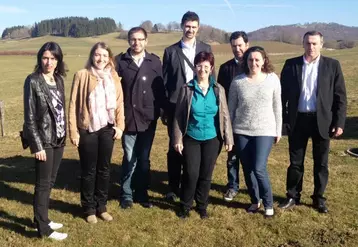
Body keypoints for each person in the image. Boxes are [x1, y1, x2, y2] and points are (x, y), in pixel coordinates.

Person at [279, 31, 347, 213]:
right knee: (295, 163)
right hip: (297, 120)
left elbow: (340, 96)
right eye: (308, 43)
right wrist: (283, 120)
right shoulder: (291, 65)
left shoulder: (332, 65)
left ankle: (319, 198)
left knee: (321, 163)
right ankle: (293, 196)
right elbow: (281, 96)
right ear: (303, 44)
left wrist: (339, 122)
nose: (311, 47)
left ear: (321, 45)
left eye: (315, 43)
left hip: (322, 121)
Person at [68, 42, 125, 223]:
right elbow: (72, 105)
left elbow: (120, 103)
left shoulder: (114, 77)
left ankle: (102, 206)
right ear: (92, 56)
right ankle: (89, 208)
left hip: (108, 129)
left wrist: (120, 126)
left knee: (104, 169)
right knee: (89, 170)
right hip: (88, 129)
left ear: (109, 58)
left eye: (105, 56)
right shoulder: (82, 75)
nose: (101, 59)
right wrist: (74, 132)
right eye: (97, 55)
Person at [173, 51, 234, 219]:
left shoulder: (218, 89)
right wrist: (177, 139)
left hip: (213, 139)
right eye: (199, 65)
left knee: (206, 175)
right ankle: (185, 205)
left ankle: (202, 206)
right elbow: (178, 116)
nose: (202, 69)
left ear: (211, 68)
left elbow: (225, 115)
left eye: (206, 66)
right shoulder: (186, 89)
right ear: (195, 67)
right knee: (191, 173)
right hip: (192, 137)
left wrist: (228, 138)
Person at [163, 11, 212, 201]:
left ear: (198, 28)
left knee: (194, 146)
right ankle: (173, 188)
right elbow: (166, 82)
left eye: (194, 27)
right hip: (177, 106)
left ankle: (191, 186)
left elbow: (210, 75)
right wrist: (166, 109)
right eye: (187, 26)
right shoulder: (170, 51)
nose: (190, 30)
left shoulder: (206, 48)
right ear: (182, 26)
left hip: (199, 106)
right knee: (175, 147)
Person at [115, 27, 167, 209]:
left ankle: (142, 193)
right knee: (130, 156)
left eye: (140, 39)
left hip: (148, 117)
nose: (136, 43)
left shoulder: (154, 62)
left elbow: (160, 90)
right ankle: (127, 194)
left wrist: (163, 111)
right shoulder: (120, 62)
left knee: (144, 157)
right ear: (129, 41)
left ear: (146, 41)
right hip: (128, 117)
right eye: (133, 39)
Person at [228, 46, 282, 217]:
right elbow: (230, 110)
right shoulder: (238, 82)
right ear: (246, 62)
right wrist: (229, 132)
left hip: (264, 131)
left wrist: (278, 130)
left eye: (257, 59)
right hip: (242, 130)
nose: (254, 63)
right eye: (250, 60)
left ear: (264, 60)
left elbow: (277, 106)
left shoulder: (272, 79)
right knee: (247, 168)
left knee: (259, 167)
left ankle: (268, 203)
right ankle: (254, 200)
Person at [23, 41, 68, 240]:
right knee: (42, 184)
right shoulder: (32, 81)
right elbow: (30, 117)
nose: (48, 62)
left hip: (59, 139)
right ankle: (43, 229)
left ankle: (41, 218)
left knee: (49, 182)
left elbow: (60, 111)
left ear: (58, 61)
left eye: (53, 58)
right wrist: (37, 146)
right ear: (40, 59)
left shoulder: (58, 80)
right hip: (44, 140)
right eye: (45, 58)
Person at [217, 31, 249, 202]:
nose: (237, 49)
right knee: (232, 155)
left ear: (247, 45)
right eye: (234, 46)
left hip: (251, 120)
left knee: (250, 157)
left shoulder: (254, 64)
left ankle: (252, 187)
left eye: (240, 45)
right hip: (231, 120)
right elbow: (221, 95)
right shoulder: (225, 68)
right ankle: (233, 185)